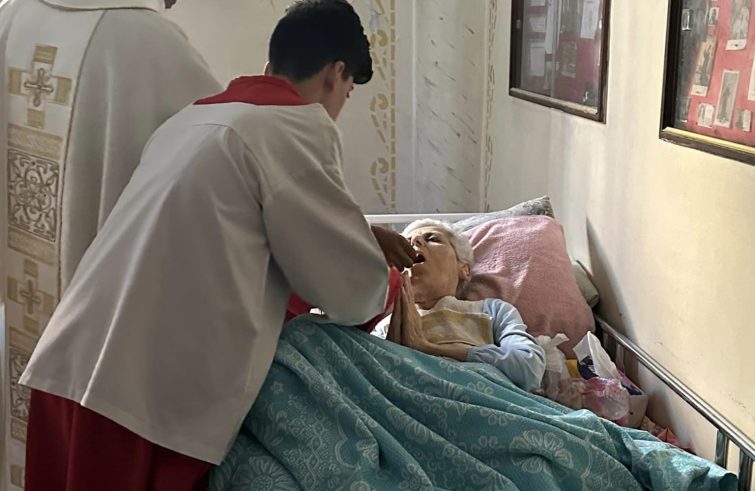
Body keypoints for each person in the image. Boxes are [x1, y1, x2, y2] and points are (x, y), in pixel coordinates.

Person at [17, 1, 414, 490]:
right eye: (348, 92)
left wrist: (358, 235)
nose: (339, 106)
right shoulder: (297, 126)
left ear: (270, 65)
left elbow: (233, 238)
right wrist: (390, 284)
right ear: (336, 74)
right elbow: (349, 292)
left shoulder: (192, 120)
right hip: (138, 398)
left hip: (68, 365)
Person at [0, 0, 221, 486]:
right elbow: (231, 175)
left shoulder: (12, 16)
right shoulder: (150, 44)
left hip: (20, 315)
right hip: (101, 342)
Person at [377, 219, 545, 391]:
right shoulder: (382, 327)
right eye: (406, 244)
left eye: (432, 239)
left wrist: (427, 348)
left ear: (464, 269)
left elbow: (530, 367)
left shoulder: (493, 311)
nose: (415, 242)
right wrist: (391, 352)